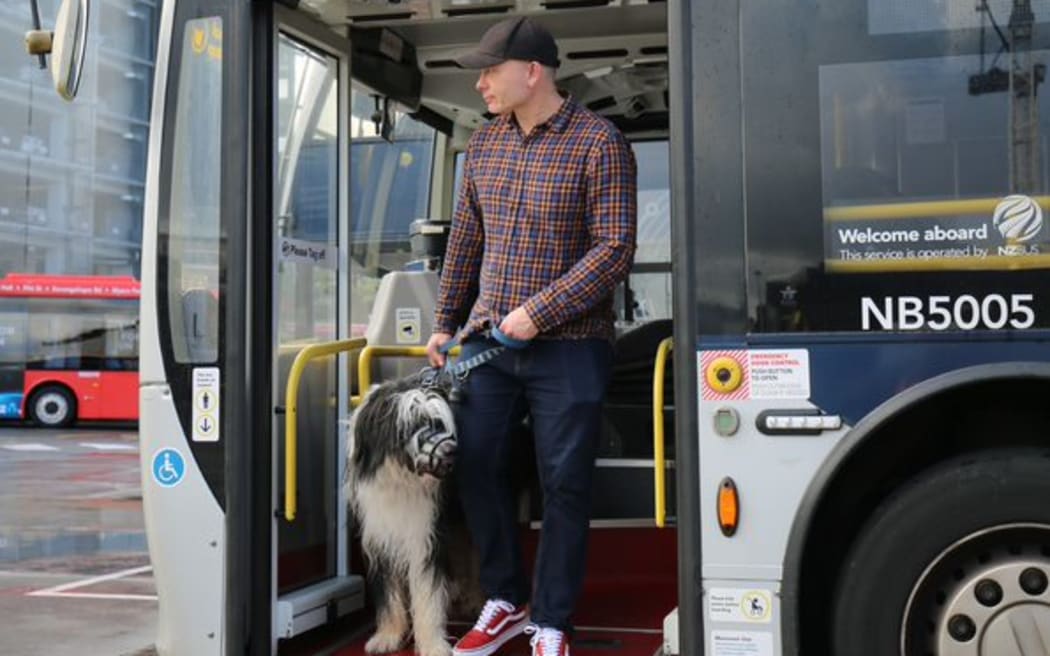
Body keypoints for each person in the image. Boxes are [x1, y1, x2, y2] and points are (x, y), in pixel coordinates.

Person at [424, 15, 637, 656]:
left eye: (490, 70)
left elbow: (614, 250)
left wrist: (539, 313)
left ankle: (552, 623)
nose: (481, 83)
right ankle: (506, 599)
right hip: (489, 343)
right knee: (477, 465)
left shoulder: (599, 143)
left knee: (564, 481)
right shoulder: (483, 145)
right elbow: (466, 242)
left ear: (532, 72)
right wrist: (443, 322)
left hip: (572, 346)